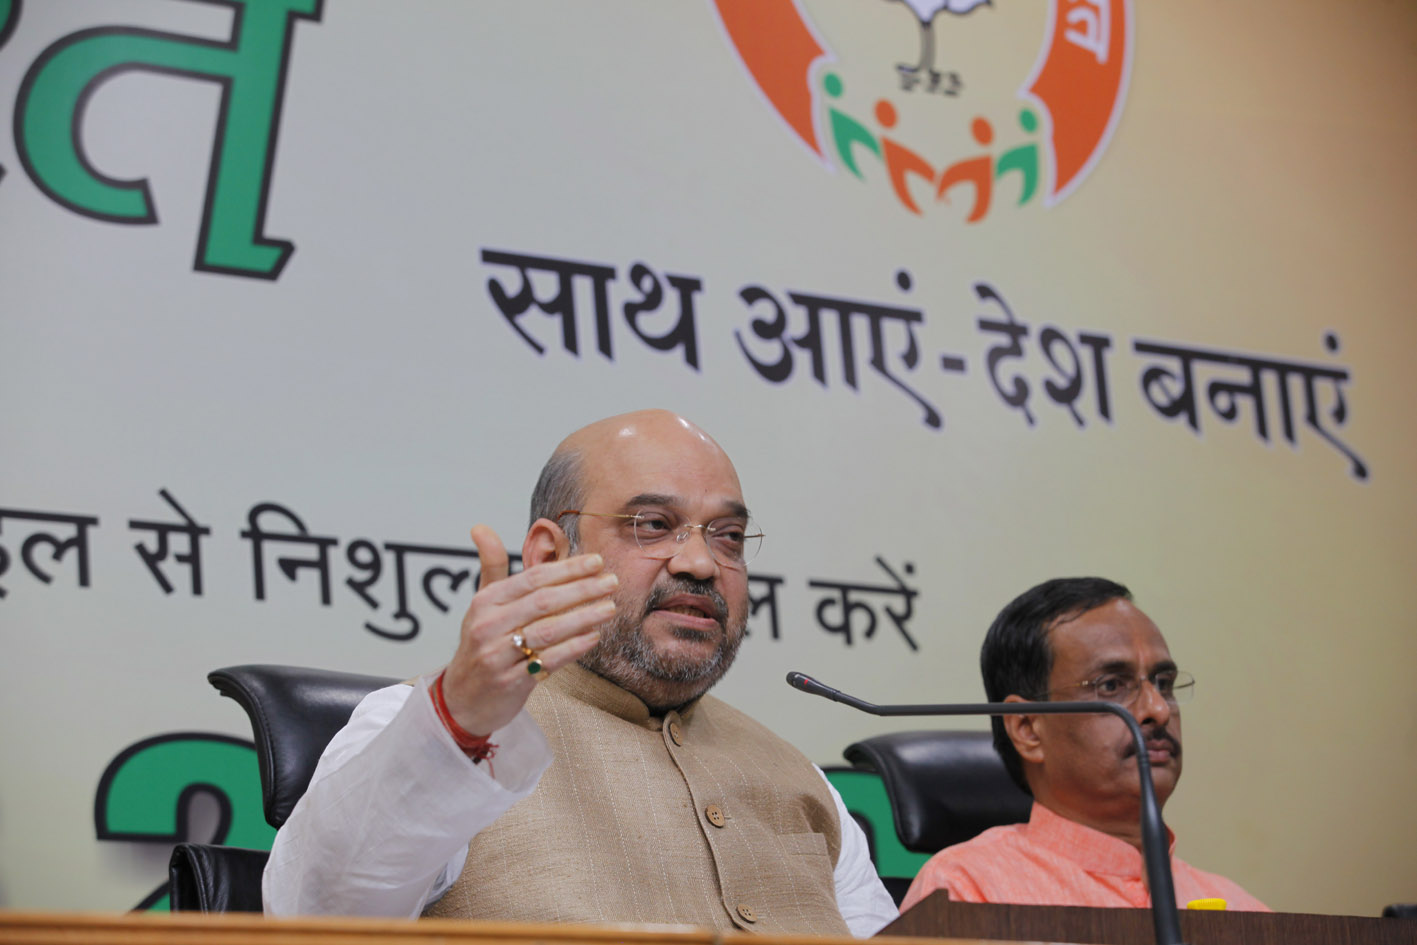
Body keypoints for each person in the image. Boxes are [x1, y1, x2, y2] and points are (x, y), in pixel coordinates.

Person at [263, 409, 897, 936]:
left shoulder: (802, 781)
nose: (703, 563)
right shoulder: (429, 728)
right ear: (549, 555)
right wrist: (460, 723)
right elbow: (315, 922)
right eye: (654, 525)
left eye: (728, 536)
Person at [901, 577, 1269, 912]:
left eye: (1164, 682)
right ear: (1028, 729)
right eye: (1111, 685)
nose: (1157, 709)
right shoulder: (966, 892)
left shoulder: (1245, 913)